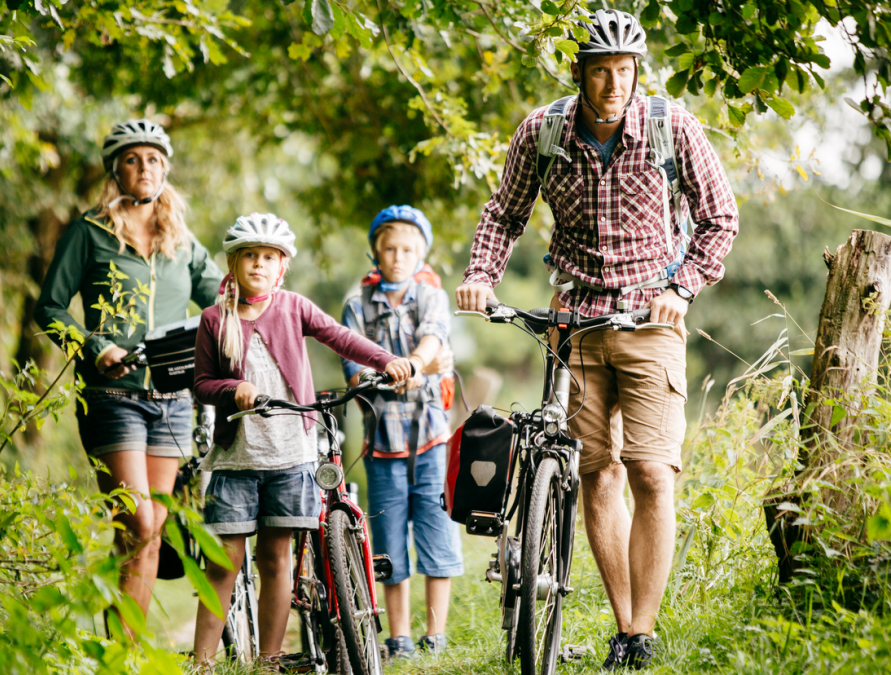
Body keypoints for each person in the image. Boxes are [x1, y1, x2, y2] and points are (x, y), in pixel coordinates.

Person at [455, 9, 738, 670]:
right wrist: (479, 275)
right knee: (595, 471)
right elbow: (504, 212)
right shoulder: (543, 131)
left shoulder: (672, 127)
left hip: (651, 322)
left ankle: (641, 627)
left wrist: (682, 288)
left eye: (623, 69)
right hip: (573, 321)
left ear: (637, 70)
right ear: (577, 72)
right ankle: (623, 625)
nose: (613, 83)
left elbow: (718, 217)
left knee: (648, 470)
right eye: (599, 70)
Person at [191, 213, 412, 667]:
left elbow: (339, 336)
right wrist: (235, 389)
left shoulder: (294, 307)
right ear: (232, 264)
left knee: (276, 560)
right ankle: (201, 662)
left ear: (282, 267)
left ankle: (269, 660)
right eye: (249, 256)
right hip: (236, 459)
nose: (258, 264)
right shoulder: (215, 319)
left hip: (291, 455)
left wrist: (386, 359)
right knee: (223, 565)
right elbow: (200, 384)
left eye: (268, 258)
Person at [34, 119, 222, 636]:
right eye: (134, 159)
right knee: (137, 523)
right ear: (115, 169)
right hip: (110, 396)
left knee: (150, 532)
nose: (146, 168)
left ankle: (125, 655)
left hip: (172, 400)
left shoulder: (182, 244)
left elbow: (223, 303)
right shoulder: (88, 233)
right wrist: (95, 347)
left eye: (155, 159)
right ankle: (122, 653)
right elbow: (49, 308)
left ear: (166, 169)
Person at [340, 205, 463, 659]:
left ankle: (435, 634)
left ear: (421, 254)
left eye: (407, 249)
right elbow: (354, 366)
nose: (397, 257)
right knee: (389, 542)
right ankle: (400, 637)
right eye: (389, 248)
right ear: (376, 250)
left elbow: (433, 340)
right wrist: (395, 369)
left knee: (437, 532)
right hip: (382, 446)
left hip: (430, 439)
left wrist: (415, 362)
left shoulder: (430, 296)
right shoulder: (357, 305)